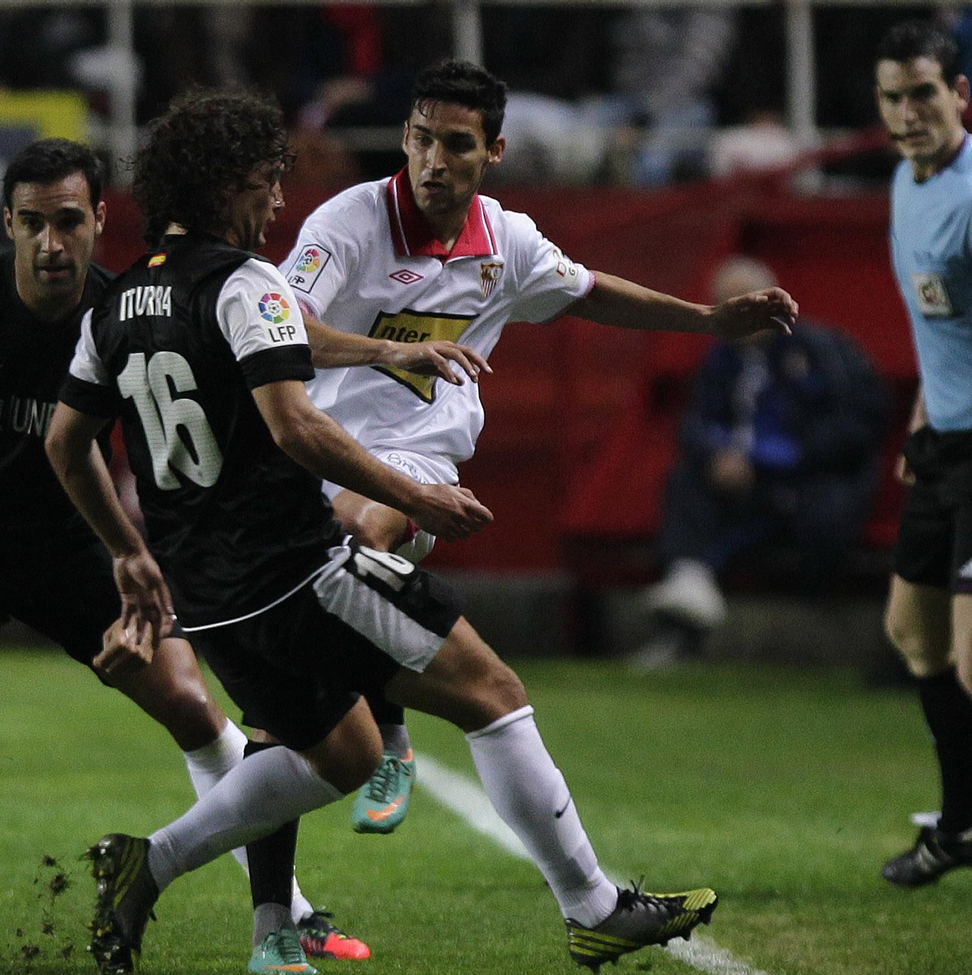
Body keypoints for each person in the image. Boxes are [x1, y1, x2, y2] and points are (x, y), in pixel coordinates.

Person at [46, 88, 718, 975]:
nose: (276, 204)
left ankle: (148, 864)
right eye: (261, 185)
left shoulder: (117, 302)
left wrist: (130, 550)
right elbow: (296, 427)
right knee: (492, 690)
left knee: (342, 754)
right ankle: (594, 908)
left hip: (206, 593)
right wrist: (419, 495)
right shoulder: (246, 284)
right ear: (218, 188)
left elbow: (65, 441)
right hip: (297, 569)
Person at [0, 137, 367, 965]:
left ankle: (289, 904)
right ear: (8, 225)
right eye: (33, 225)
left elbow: (216, 406)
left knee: (191, 703)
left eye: (70, 222)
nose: (52, 244)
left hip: (80, 543)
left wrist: (142, 561)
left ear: (97, 221)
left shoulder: (123, 312)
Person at [280, 59, 799, 833]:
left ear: (493, 152)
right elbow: (285, 334)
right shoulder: (346, 223)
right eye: (422, 139)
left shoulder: (509, 243)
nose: (433, 160)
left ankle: (390, 734)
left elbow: (594, 293)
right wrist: (393, 351)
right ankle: (269, 911)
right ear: (403, 136)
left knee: (362, 533)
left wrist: (706, 319)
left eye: (457, 144)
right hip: (316, 456)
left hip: (417, 466)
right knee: (280, 699)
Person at [634, 257, 890, 668]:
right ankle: (687, 591)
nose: (737, 314)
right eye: (727, 304)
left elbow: (859, 425)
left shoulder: (823, 351)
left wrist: (771, 460)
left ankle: (697, 602)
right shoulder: (717, 362)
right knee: (684, 482)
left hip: (808, 485)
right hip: (738, 486)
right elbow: (694, 422)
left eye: (745, 303)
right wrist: (719, 455)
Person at [875, 20, 972, 887]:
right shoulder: (908, 185)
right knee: (915, 636)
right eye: (892, 98)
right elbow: (940, 326)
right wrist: (922, 418)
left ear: (961, 96)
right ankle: (962, 825)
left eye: (924, 94)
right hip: (942, 445)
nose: (908, 113)